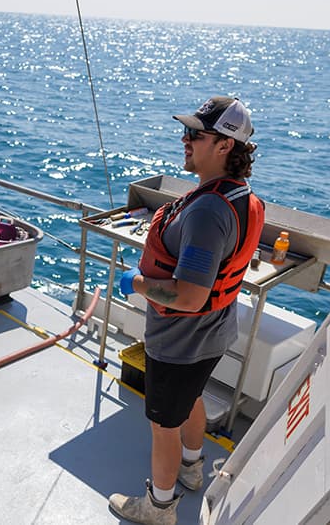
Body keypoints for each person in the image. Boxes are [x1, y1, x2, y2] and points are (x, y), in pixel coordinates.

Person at [109, 96, 264, 524]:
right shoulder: (239, 195)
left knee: (163, 425)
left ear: (225, 146)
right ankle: (192, 469)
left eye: (196, 134)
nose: (185, 139)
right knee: (192, 398)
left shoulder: (209, 211)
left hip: (179, 343)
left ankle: (158, 508)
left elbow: (190, 296)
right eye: (187, 131)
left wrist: (136, 283)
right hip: (213, 335)